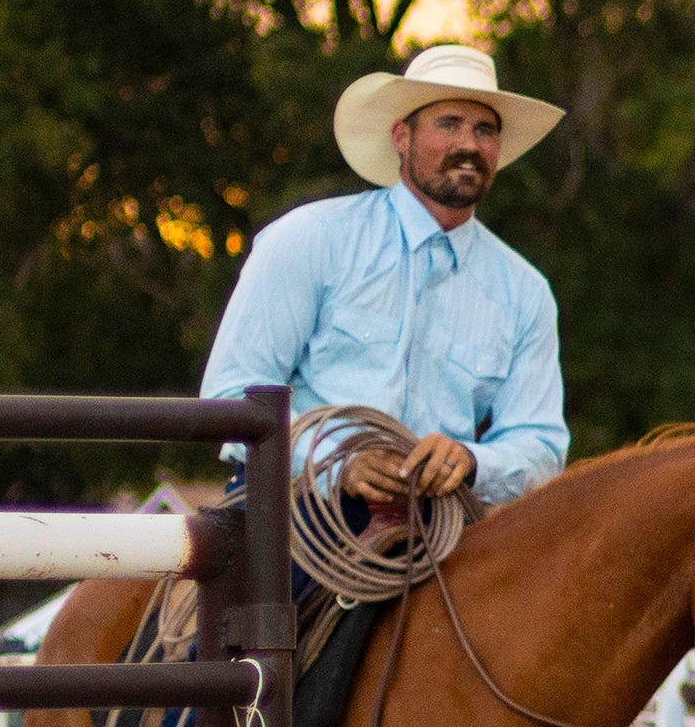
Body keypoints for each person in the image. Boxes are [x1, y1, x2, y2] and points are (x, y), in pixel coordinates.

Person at [201, 40, 570, 512]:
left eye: (485, 130)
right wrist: (339, 463)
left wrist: (472, 462)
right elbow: (232, 397)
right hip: (298, 505)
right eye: (449, 124)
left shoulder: (525, 292)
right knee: (267, 586)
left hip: (442, 518)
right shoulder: (311, 239)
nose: (468, 145)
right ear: (401, 136)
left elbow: (540, 446)